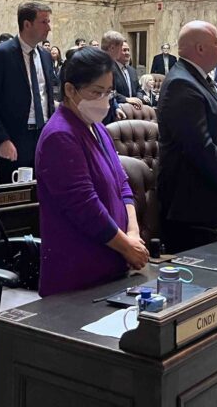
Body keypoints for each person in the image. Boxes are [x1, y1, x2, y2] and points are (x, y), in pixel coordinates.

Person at [35, 47, 147, 296]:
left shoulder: (98, 128)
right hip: (79, 274)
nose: (104, 100)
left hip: (114, 264)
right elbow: (84, 207)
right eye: (96, 92)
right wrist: (126, 247)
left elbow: (122, 184)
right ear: (70, 90)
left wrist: (133, 233)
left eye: (108, 92)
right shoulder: (60, 135)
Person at [156, 21, 217, 251]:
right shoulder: (181, 83)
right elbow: (199, 145)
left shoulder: (200, 79)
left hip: (213, 195)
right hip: (192, 204)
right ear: (200, 48)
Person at [0, 2, 56, 182]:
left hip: (43, 135)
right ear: (27, 24)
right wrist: (2, 139)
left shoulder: (45, 56)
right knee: (15, 193)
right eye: (44, 22)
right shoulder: (2, 53)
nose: (49, 28)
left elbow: (47, 97)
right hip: (13, 139)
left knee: (44, 190)